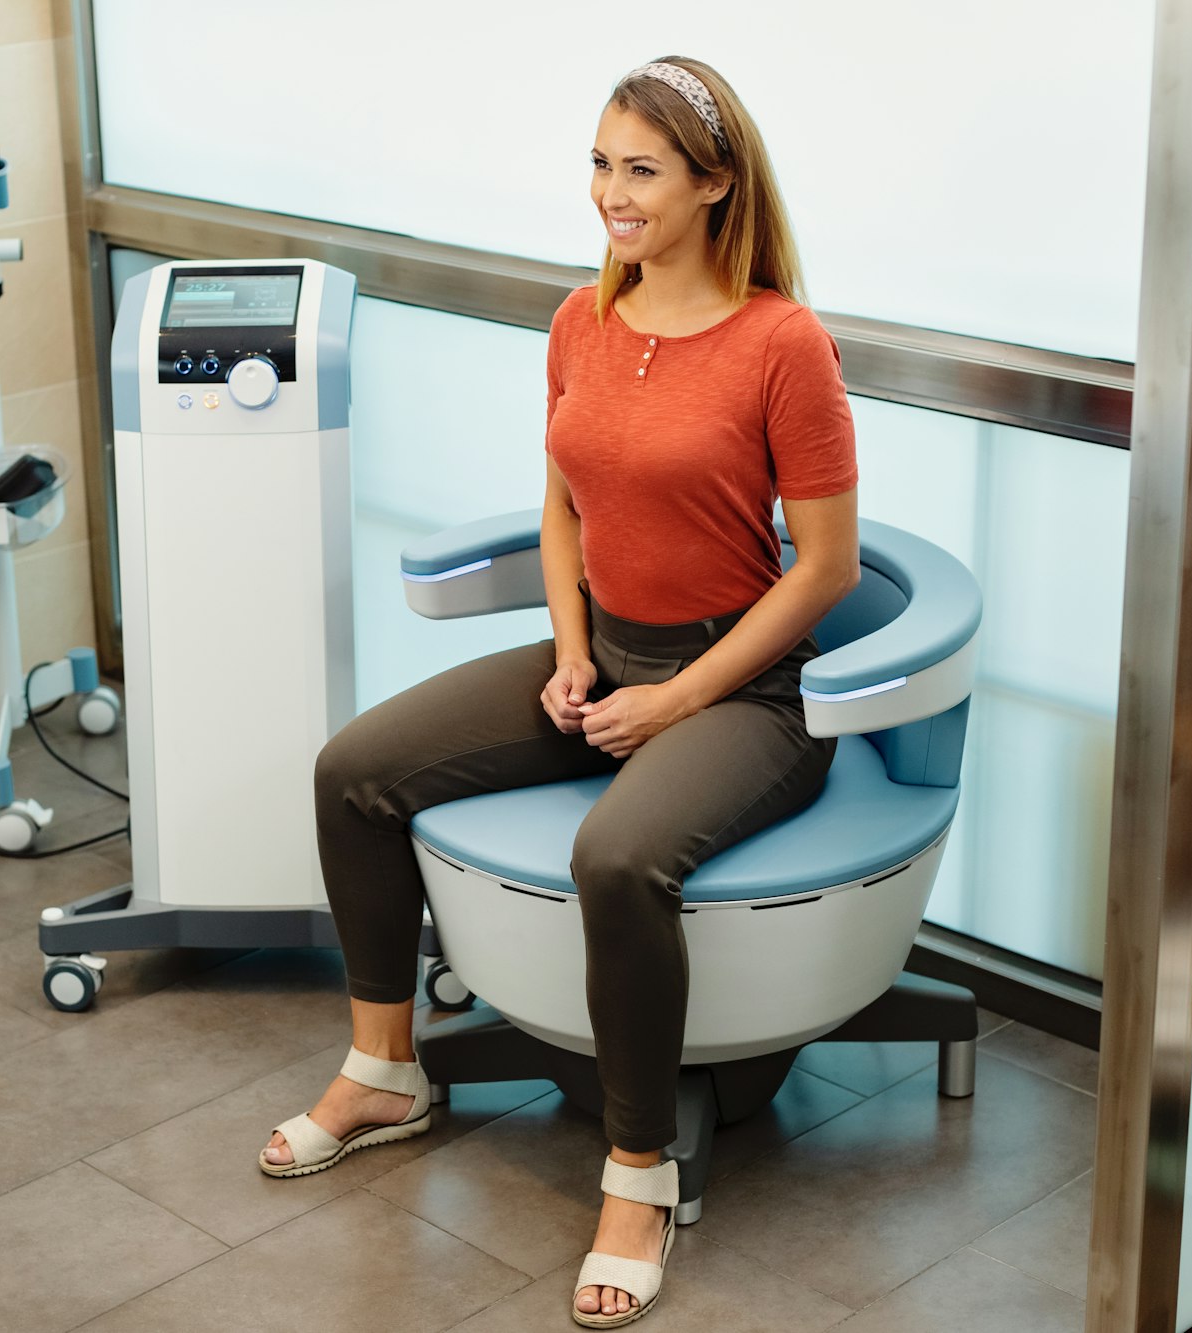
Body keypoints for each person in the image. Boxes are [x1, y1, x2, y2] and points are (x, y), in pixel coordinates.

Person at [259, 55, 859, 1328]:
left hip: (746, 691)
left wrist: (680, 696)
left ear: (711, 184)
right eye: (598, 163)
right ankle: (383, 1072)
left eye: (639, 170)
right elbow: (561, 502)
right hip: (607, 658)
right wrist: (574, 647)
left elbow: (821, 571)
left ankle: (636, 1177)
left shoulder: (779, 343)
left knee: (618, 855)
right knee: (352, 772)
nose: (609, 194)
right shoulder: (580, 320)